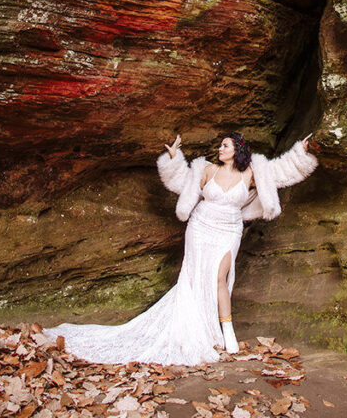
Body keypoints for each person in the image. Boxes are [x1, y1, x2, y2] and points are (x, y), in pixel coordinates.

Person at [44, 131, 318, 365]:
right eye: (221, 145)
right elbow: (181, 183)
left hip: (228, 230)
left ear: (238, 150)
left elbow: (280, 173)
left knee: (220, 278)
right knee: (194, 277)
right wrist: (174, 159)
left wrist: (300, 153)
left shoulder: (251, 173)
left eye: (225, 145)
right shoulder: (207, 170)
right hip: (200, 228)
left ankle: (227, 331)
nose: (220, 148)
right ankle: (197, 327)